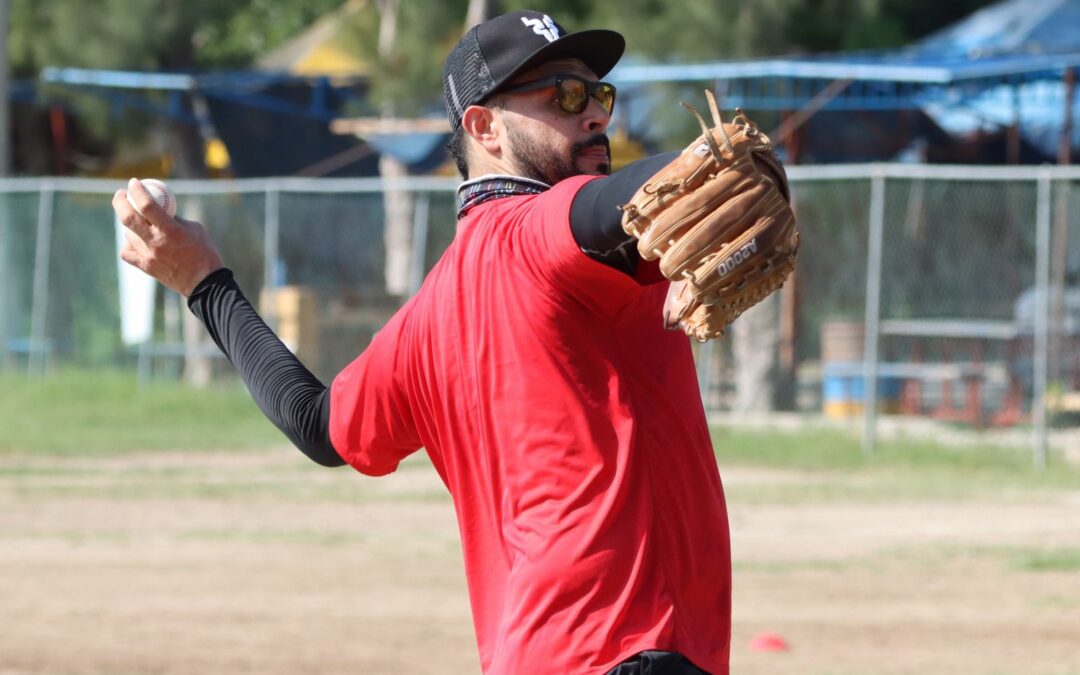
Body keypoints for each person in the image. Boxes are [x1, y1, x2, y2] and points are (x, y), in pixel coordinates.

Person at [113, 10, 734, 675]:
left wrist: (206, 284)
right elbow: (634, 195)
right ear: (484, 126)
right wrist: (728, 159)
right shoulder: (545, 225)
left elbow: (318, 423)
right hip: (622, 651)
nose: (594, 115)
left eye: (598, 95)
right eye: (564, 94)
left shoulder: (429, 313)